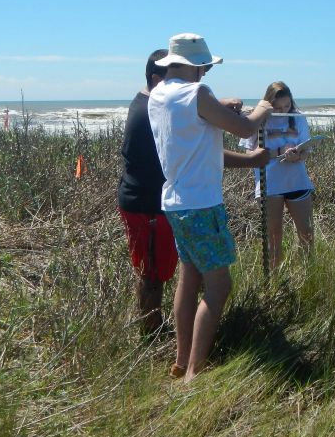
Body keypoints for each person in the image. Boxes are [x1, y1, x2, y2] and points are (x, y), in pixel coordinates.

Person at [120, 47, 269, 355]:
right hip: (192, 203)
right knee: (213, 286)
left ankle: (179, 357)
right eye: (204, 67)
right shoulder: (195, 93)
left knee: (186, 280)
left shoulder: (155, 99)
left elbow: (189, 124)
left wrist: (217, 106)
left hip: (172, 203)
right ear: (193, 66)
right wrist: (263, 110)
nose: (205, 74)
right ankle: (190, 367)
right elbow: (244, 128)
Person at [239, 81, 315, 268]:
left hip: (297, 182)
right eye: (278, 107)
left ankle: (307, 277)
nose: (283, 110)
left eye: (287, 106)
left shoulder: (297, 117)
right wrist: (279, 152)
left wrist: (298, 155)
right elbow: (249, 154)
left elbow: (306, 151)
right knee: (273, 238)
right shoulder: (258, 118)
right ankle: (273, 283)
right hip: (269, 184)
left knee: (307, 234)